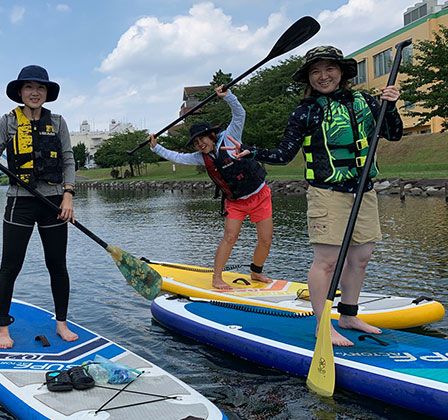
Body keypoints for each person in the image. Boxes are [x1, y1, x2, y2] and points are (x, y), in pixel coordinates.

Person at [235, 46, 403, 346]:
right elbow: (285, 154)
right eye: (315, 72)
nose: (323, 76)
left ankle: (349, 315)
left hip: (364, 191)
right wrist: (254, 152)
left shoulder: (364, 101)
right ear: (308, 79)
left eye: (329, 69)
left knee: (361, 257)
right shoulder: (306, 111)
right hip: (328, 193)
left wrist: (390, 106)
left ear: (341, 72)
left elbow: (393, 134)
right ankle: (321, 324)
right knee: (327, 260)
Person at [0, 65, 77, 349]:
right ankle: (2, 327)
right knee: (10, 266)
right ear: (20, 93)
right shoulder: (8, 122)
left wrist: (68, 195)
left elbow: (69, 161)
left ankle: (61, 322)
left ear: (47, 93)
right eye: (29, 87)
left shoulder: (58, 122)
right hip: (19, 202)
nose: (35, 92)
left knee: (57, 265)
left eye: (41, 88)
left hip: (54, 202)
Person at [149, 86, 274, 290]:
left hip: (260, 194)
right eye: (196, 142)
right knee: (230, 237)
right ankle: (217, 278)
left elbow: (240, 114)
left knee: (266, 239)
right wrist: (156, 147)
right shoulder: (201, 157)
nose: (199, 144)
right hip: (236, 202)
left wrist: (229, 97)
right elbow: (177, 157)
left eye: (202, 139)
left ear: (212, 135)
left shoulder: (230, 136)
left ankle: (256, 272)